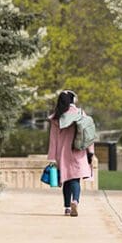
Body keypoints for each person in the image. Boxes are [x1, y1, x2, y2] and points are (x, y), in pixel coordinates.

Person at [47, 89, 94, 217]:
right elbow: (88, 134)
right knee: (75, 180)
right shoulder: (80, 114)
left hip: (62, 154)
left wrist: (52, 157)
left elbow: (53, 139)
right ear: (73, 100)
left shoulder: (56, 118)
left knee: (66, 180)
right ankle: (75, 201)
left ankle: (67, 208)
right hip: (78, 151)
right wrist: (90, 152)